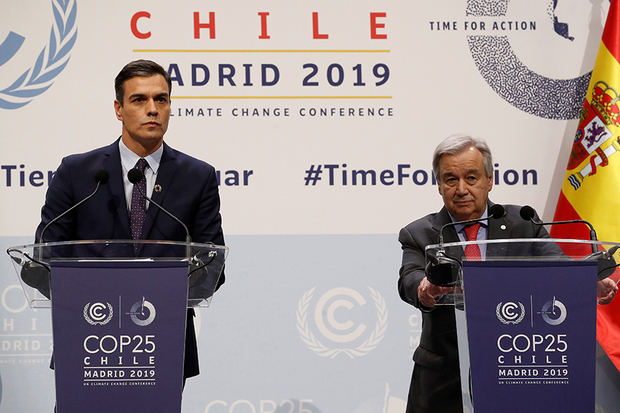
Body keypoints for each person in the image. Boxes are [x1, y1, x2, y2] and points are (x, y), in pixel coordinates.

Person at [34, 59, 225, 383]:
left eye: (160, 99)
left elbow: (212, 264)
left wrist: (159, 292)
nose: (152, 109)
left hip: (162, 340)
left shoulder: (197, 176)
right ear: (119, 108)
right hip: (88, 335)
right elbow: (45, 257)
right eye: (139, 100)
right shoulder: (78, 172)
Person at [397, 134, 617, 412]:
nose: (461, 189)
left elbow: (558, 267)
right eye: (451, 179)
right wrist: (425, 289)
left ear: (489, 180)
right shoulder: (421, 233)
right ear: (439, 185)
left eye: (472, 177)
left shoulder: (522, 223)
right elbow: (410, 278)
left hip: (517, 368)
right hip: (445, 380)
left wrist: (587, 284)